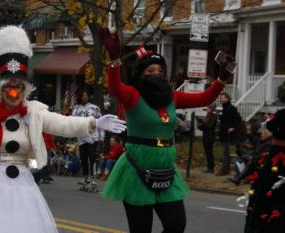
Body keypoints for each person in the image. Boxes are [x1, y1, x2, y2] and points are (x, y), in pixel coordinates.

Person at [0, 25, 126, 233]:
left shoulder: (34, 112)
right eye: (8, 87)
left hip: (22, 187)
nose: (13, 93)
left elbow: (63, 123)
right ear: (0, 88)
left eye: (18, 88)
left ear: (25, 89)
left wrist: (93, 123)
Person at [99, 28, 231, 233]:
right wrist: (114, 58)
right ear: (141, 73)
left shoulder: (172, 96)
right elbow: (115, 88)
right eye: (150, 71)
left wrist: (221, 80)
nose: (156, 75)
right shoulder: (133, 95)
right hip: (137, 170)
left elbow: (204, 99)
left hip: (165, 170)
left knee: (176, 225)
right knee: (141, 229)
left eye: (160, 71)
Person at [244, 109, 285, 233]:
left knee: (265, 190)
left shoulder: (281, 114)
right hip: (275, 160)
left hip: (275, 158)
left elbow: (270, 125)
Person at [72, 90, 103, 183]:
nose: (85, 97)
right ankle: (85, 177)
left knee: (92, 158)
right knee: (83, 158)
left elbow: (101, 120)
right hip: (82, 138)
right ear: (80, 97)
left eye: (86, 95)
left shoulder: (94, 108)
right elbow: (73, 122)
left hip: (93, 137)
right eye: (83, 95)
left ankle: (93, 177)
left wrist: (101, 135)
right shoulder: (76, 109)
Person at [217, 92, 245, 176]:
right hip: (224, 132)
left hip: (228, 133)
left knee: (226, 153)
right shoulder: (225, 108)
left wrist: (233, 127)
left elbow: (238, 119)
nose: (221, 99)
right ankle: (226, 169)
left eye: (222, 98)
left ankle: (225, 170)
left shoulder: (231, 108)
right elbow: (226, 119)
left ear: (227, 98)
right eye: (220, 98)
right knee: (225, 152)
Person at [196, 104, 217, 173]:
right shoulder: (207, 116)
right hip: (205, 136)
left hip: (210, 137)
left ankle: (211, 168)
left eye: (209, 108)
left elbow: (209, 126)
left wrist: (202, 122)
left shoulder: (214, 116)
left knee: (209, 152)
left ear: (211, 109)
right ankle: (209, 167)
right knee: (207, 152)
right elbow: (204, 127)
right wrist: (199, 123)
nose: (207, 109)